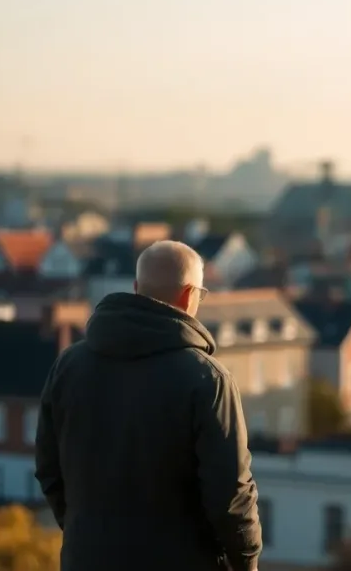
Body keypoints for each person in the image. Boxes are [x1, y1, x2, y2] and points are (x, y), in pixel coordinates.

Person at [35, 240, 262, 571]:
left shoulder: (69, 366)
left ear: (137, 288)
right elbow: (230, 494)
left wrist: (84, 532)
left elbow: (48, 468)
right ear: (189, 296)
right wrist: (247, 562)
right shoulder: (206, 380)